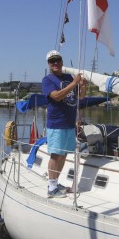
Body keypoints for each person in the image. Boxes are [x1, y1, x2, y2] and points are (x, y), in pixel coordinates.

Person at [42, 50, 86, 198]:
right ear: (49, 64)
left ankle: (55, 182)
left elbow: (80, 96)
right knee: (56, 155)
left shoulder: (68, 77)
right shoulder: (48, 80)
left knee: (64, 154)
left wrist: (82, 86)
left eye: (58, 60)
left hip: (69, 123)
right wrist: (74, 83)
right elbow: (56, 96)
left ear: (61, 62)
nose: (55, 63)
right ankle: (52, 187)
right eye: (52, 61)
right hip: (57, 123)